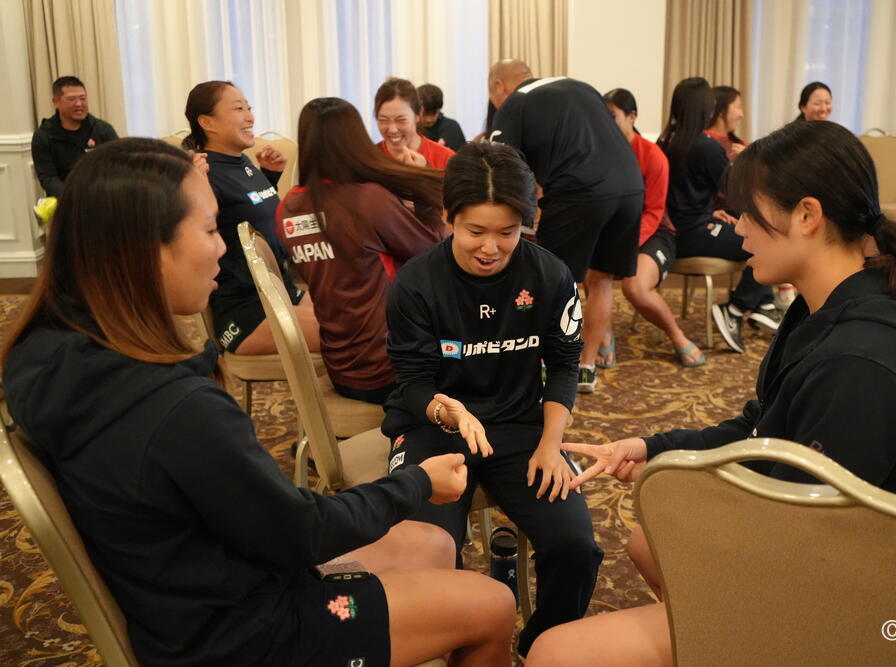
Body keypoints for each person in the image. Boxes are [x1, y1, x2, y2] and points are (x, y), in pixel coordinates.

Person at [2, 137, 516, 667]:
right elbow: (304, 532)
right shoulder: (176, 411)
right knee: (495, 605)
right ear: (146, 251)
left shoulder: (48, 352)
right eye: (209, 230)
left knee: (433, 544)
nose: (223, 248)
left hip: (188, 592)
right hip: (243, 634)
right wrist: (418, 482)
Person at [524, 120, 896, 666]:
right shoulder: (825, 306)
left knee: (555, 653)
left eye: (749, 212)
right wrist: (653, 449)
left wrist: (690, 499)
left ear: (807, 215)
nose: (738, 228)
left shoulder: (859, 365)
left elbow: (808, 539)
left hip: (865, 602)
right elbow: (764, 431)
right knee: (651, 541)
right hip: (825, 551)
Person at [382, 141, 603, 657]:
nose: (491, 247)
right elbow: (412, 383)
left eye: (508, 232)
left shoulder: (549, 275)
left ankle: (541, 646)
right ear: (448, 217)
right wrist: (449, 411)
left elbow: (564, 364)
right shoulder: (416, 283)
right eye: (475, 231)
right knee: (429, 552)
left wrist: (551, 444)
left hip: (520, 427)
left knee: (576, 547)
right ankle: (462, 646)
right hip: (432, 426)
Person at [487, 59, 644, 393]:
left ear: (498, 86)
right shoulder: (579, 86)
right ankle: (586, 367)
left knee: (554, 282)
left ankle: (551, 368)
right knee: (601, 280)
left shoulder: (515, 102)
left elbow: (499, 169)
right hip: (631, 186)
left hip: (580, 192)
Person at [277, 97, 446, 405]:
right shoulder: (366, 200)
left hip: (341, 367)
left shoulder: (287, 207)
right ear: (356, 140)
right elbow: (433, 251)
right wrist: (422, 194)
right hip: (391, 369)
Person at [182, 80, 320, 356]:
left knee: (367, 318)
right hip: (245, 310)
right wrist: (192, 186)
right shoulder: (204, 173)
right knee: (353, 334)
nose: (250, 117)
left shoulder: (241, 162)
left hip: (281, 291)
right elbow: (190, 238)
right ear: (207, 122)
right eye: (239, 109)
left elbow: (245, 217)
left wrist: (269, 176)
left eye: (249, 108)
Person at [658, 77, 779, 354]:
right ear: (706, 108)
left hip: (672, 233)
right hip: (694, 234)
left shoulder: (665, 142)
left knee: (757, 234)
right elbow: (738, 194)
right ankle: (736, 309)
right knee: (768, 241)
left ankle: (763, 305)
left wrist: (712, 211)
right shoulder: (706, 147)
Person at [600, 88, 703, 367]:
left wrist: (623, 244)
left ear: (632, 116)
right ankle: (604, 334)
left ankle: (677, 336)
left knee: (635, 287)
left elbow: (655, 212)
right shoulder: (598, 155)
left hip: (654, 232)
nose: (605, 123)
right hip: (614, 234)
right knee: (594, 272)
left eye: (612, 116)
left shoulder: (653, 156)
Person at [31, 76, 118, 197]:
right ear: (56, 102)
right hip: (65, 198)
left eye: (83, 98)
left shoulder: (103, 129)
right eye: (71, 99)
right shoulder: (43, 136)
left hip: (101, 196)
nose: (79, 104)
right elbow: (48, 178)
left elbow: (118, 166)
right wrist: (74, 197)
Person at [375, 77, 455, 169]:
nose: (393, 130)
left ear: (419, 114)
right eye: (383, 120)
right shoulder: (370, 159)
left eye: (401, 120)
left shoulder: (446, 158)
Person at [417, 83, 467, 150]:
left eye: (433, 113)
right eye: (425, 114)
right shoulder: (412, 129)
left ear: (439, 109)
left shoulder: (451, 128)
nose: (429, 119)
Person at [706, 85, 747, 161]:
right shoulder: (702, 141)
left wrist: (746, 157)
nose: (741, 115)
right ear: (721, 110)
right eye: (738, 107)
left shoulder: (740, 144)